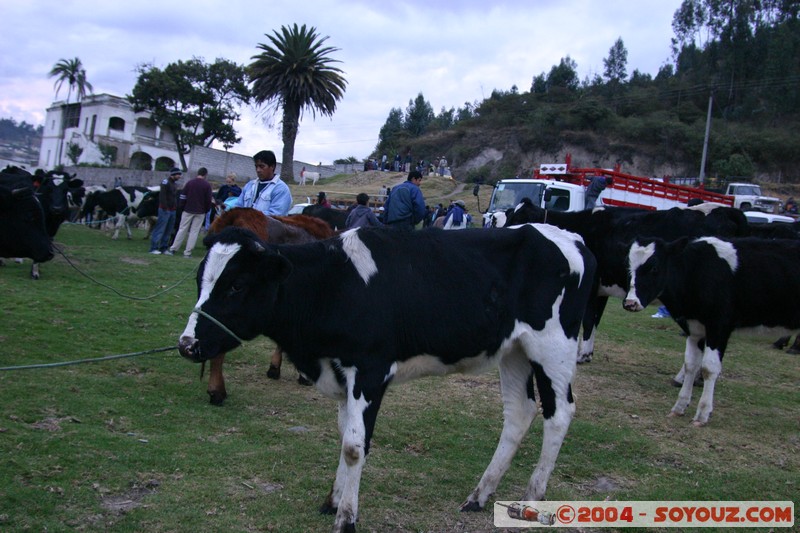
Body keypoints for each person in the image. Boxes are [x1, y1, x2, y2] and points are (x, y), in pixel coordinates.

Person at [167, 167, 213, 257]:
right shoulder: (207, 185)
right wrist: (206, 210)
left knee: (182, 229)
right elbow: (208, 200)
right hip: (200, 211)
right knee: (194, 232)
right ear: (205, 174)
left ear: (198, 173)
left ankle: (173, 249)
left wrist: (182, 207)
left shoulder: (190, 183)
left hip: (188, 209)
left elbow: (183, 196)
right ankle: (187, 252)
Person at [230, 150, 292, 216]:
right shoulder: (249, 185)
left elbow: (276, 215)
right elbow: (237, 207)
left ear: (272, 167)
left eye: (262, 166)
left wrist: (249, 216)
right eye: (256, 166)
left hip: (267, 226)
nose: (258, 170)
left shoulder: (281, 189)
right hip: (243, 225)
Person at [149, 167, 182, 254]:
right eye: (178, 174)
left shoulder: (174, 184)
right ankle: (153, 248)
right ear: (173, 174)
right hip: (165, 209)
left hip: (172, 210)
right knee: (160, 228)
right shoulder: (165, 183)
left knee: (168, 230)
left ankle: (163, 248)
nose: (179, 176)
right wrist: (166, 207)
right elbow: (162, 197)